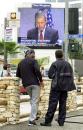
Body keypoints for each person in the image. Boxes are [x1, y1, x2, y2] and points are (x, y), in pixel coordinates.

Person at [40, 50, 76, 127]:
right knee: (63, 104)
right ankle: (61, 122)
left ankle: (48, 122)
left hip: (56, 87)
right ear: (62, 55)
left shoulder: (54, 64)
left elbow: (50, 75)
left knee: (52, 104)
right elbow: (71, 76)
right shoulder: (68, 64)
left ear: (56, 55)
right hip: (65, 88)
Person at [16, 49, 44, 126]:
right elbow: (38, 71)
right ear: (29, 54)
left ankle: (35, 115)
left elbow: (18, 75)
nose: (34, 56)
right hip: (35, 84)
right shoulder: (34, 61)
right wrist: (41, 81)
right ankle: (32, 120)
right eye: (33, 54)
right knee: (34, 100)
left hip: (26, 85)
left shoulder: (20, 63)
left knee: (33, 100)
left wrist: (25, 78)